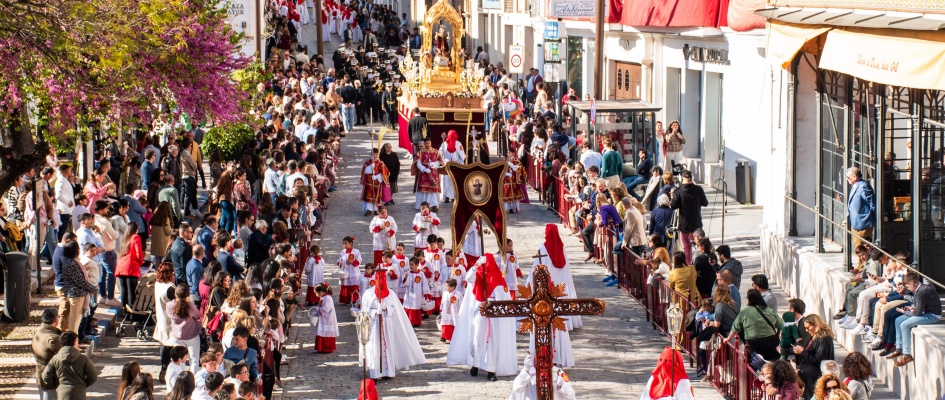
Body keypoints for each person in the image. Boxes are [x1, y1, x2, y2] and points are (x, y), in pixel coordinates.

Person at [446, 254, 518, 381]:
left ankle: (491, 369)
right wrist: (476, 266)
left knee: (492, 342)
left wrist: (492, 305)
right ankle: (476, 364)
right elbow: (468, 277)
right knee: (477, 339)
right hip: (479, 311)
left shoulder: (499, 280)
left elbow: (503, 300)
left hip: (493, 315)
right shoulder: (478, 275)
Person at [359, 271, 426, 378]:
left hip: (387, 324)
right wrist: (374, 312)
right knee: (374, 346)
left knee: (388, 346)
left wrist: (387, 309)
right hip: (374, 324)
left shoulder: (391, 294)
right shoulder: (368, 293)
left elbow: (396, 310)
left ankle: (388, 371)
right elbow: (364, 312)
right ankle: (375, 372)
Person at [890, 273, 943, 367]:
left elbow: (917, 314)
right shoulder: (922, 288)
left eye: (907, 287)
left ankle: (907, 355)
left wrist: (904, 312)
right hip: (926, 312)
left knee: (904, 325)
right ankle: (899, 348)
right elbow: (918, 302)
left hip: (933, 316)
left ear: (912, 283)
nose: (908, 289)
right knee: (898, 320)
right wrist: (908, 301)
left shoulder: (922, 291)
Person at [725, 289, 783, 361]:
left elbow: (735, 327)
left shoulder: (745, 312)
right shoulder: (769, 310)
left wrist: (728, 338)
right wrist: (777, 335)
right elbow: (781, 325)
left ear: (749, 299)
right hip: (771, 342)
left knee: (753, 364)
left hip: (754, 344)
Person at [42, 331, 98, 400]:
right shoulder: (83, 358)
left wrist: (57, 385)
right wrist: (82, 385)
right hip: (79, 393)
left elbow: (46, 376)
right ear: (75, 342)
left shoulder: (55, 358)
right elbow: (93, 377)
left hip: (62, 393)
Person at [793, 314, 836, 398]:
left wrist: (802, 352)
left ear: (816, 325)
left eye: (808, 327)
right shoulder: (813, 338)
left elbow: (819, 360)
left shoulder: (824, 339)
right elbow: (807, 356)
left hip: (815, 379)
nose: (806, 330)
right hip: (808, 379)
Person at [670, 170, 707, 264]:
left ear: (681, 178)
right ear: (692, 178)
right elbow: (705, 203)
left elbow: (673, 206)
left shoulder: (678, 191)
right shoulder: (699, 189)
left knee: (687, 246)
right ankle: (702, 262)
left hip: (684, 224)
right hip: (697, 223)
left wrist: (672, 196)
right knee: (700, 244)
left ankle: (688, 264)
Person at [167, 284, 202, 367]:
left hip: (177, 335)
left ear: (175, 293)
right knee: (194, 360)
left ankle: (180, 377)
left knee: (179, 360)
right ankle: (193, 379)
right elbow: (197, 315)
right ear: (188, 294)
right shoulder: (190, 305)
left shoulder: (169, 305)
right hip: (191, 335)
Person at [32, 308, 62, 400]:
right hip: (51, 376)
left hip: (41, 372)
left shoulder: (39, 332)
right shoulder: (53, 338)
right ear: (56, 320)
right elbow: (63, 356)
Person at [845, 166, 876, 249]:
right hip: (856, 224)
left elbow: (872, 203)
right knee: (859, 250)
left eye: (848, 177)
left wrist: (874, 220)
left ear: (855, 177)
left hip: (863, 225)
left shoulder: (863, 186)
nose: (847, 180)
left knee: (863, 251)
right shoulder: (855, 186)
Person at [116, 222, 144, 310]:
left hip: (121, 266)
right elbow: (139, 253)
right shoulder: (136, 237)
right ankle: (131, 312)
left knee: (124, 291)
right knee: (132, 291)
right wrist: (140, 262)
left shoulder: (125, 239)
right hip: (131, 266)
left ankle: (124, 311)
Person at [414, 137, 444, 211]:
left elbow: (440, 161)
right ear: (424, 144)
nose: (428, 144)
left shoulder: (436, 151)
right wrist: (423, 169)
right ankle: (425, 205)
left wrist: (434, 163)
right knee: (425, 191)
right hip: (424, 174)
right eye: (426, 143)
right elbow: (418, 163)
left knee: (433, 191)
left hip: (433, 173)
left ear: (431, 143)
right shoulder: (420, 152)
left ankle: (434, 205)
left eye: (429, 143)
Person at [401, 257, 431, 327]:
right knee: (409, 306)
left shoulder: (421, 274)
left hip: (418, 294)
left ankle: (416, 322)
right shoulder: (407, 273)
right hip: (409, 294)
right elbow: (403, 284)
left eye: (412, 265)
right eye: (410, 265)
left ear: (417, 265)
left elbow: (425, 284)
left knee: (416, 307)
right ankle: (408, 322)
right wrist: (405, 278)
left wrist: (426, 293)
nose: (410, 266)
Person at [361, 149, 390, 215]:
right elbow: (364, 171)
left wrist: (377, 176)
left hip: (377, 183)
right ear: (371, 154)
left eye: (376, 154)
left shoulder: (381, 163)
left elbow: (386, 173)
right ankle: (369, 209)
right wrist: (370, 167)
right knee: (369, 196)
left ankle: (376, 209)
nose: (375, 156)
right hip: (369, 183)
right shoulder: (367, 163)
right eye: (374, 154)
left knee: (376, 197)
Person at [439, 130, 466, 203]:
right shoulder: (444, 144)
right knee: (446, 181)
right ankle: (447, 196)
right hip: (447, 165)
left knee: (454, 181)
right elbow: (440, 155)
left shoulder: (458, 144)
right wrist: (443, 162)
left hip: (456, 165)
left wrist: (460, 164)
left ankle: (454, 196)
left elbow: (462, 155)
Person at [312, 284, 339, 353]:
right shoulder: (324, 298)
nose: (316, 295)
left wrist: (318, 309)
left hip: (327, 319)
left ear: (320, 292)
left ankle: (326, 348)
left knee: (326, 332)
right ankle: (321, 347)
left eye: (316, 293)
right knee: (322, 331)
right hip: (324, 318)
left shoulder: (327, 298)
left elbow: (326, 309)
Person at [336, 236, 362, 304]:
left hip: (353, 271)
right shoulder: (342, 252)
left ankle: (353, 299)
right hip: (345, 271)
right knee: (345, 285)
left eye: (346, 243)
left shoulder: (356, 252)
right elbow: (339, 259)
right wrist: (340, 262)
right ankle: (345, 299)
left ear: (350, 243)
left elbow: (359, 260)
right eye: (343, 243)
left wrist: (352, 262)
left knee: (353, 286)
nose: (344, 245)